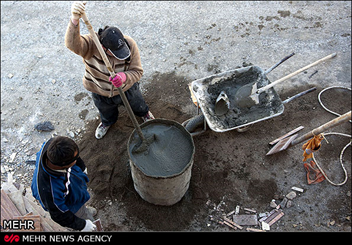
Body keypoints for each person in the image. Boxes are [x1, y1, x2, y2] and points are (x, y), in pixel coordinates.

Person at [65, 1, 154, 139]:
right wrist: (75, 20)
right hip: (100, 90)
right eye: (115, 53)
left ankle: (144, 115)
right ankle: (107, 123)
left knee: (138, 104)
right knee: (106, 111)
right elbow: (72, 45)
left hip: (127, 88)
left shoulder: (130, 44)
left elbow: (137, 71)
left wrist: (124, 77)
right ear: (105, 48)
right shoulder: (91, 44)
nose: (120, 56)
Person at [31, 136, 96, 231]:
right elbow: (59, 215)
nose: (76, 161)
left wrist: (81, 166)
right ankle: (83, 217)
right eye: (74, 160)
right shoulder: (50, 191)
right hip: (70, 205)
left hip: (72, 189)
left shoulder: (53, 145)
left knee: (81, 207)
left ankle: (84, 211)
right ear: (63, 165)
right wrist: (82, 225)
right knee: (81, 216)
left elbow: (73, 155)